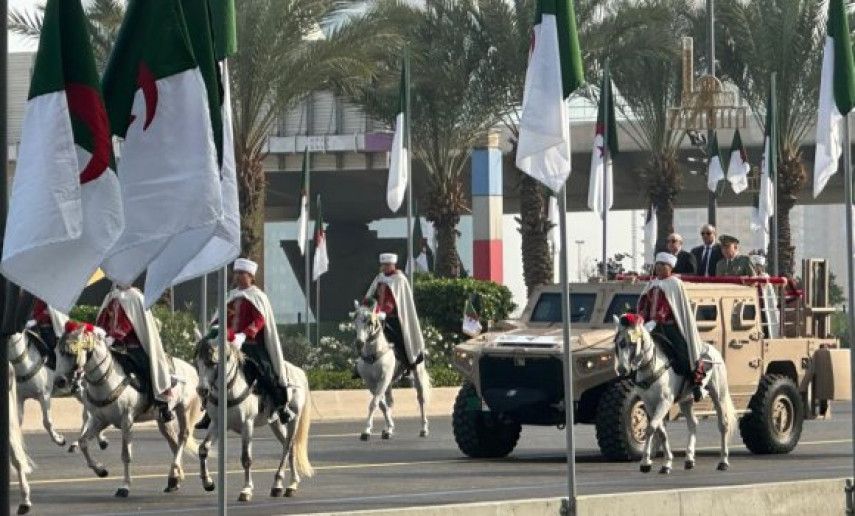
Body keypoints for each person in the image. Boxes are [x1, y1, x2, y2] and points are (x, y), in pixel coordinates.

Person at [196, 258, 293, 430]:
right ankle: (208, 412)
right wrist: (215, 329)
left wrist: (245, 334)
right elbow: (220, 318)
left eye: (242, 273)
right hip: (227, 344)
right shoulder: (231, 296)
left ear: (251, 276)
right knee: (211, 370)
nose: (238, 276)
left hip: (251, 345)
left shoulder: (258, 297)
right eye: (236, 273)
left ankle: (280, 407)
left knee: (265, 371)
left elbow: (260, 320)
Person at [637, 252, 709, 401]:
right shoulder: (651, 283)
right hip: (650, 327)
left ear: (670, 267)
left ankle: (695, 385)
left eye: (663, 265)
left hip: (669, 327)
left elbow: (667, 306)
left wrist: (656, 320)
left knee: (683, 352)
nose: (659, 267)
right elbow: (644, 304)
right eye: (657, 264)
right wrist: (641, 318)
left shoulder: (674, 284)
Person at [96, 285, 174, 421]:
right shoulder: (111, 296)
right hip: (114, 345)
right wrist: (101, 332)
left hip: (134, 345)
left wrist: (115, 336)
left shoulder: (134, 297)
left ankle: (161, 404)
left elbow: (128, 320)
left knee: (148, 367)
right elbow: (104, 316)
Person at [364, 253, 426, 376]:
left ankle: (408, 365)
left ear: (393, 265)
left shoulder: (399, 279)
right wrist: (365, 304)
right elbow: (371, 295)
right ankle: (363, 365)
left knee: (400, 339)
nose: (385, 267)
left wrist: (385, 312)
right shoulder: (380, 278)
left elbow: (394, 300)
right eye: (383, 265)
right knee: (365, 336)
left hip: (394, 317)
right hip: (377, 315)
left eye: (388, 265)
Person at [26, 298, 68, 369]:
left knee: (50, 345)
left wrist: (36, 320)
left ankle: (54, 366)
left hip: (47, 328)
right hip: (31, 325)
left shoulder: (47, 298)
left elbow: (47, 312)